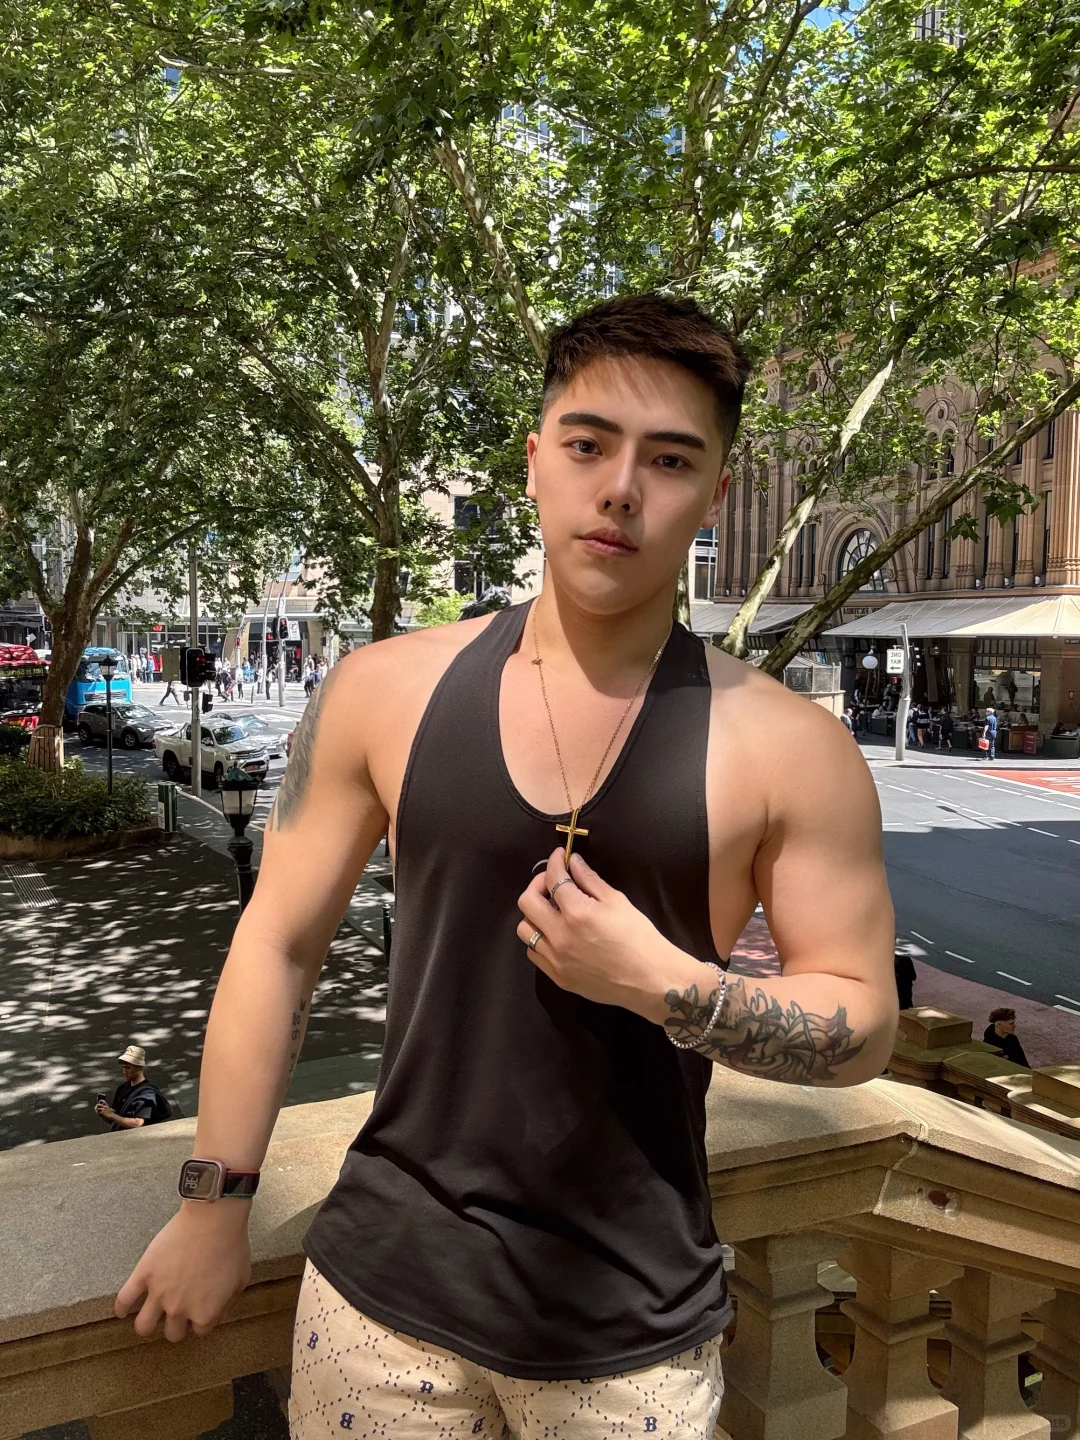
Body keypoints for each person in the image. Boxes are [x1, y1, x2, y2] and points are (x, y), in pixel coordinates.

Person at [117, 292, 896, 1439]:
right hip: (379, 1307)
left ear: (717, 496)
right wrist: (214, 1200)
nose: (620, 488)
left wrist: (665, 983)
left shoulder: (792, 747)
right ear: (534, 463)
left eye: (669, 459)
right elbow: (277, 945)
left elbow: (864, 1026)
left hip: (633, 1336)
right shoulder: (381, 691)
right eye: (588, 444)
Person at [95, 1045, 171, 1131]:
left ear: (139, 1067)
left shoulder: (147, 1093)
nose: (124, 1071)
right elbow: (112, 1119)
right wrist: (104, 1112)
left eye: (128, 1068)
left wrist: (111, 1115)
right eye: (123, 1067)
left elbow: (138, 1123)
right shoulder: (122, 1088)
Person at [893, 941, 918, 1011]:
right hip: (906, 990)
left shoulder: (889, 960)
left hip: (896, 991)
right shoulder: (906, 959)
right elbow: (914, 976)